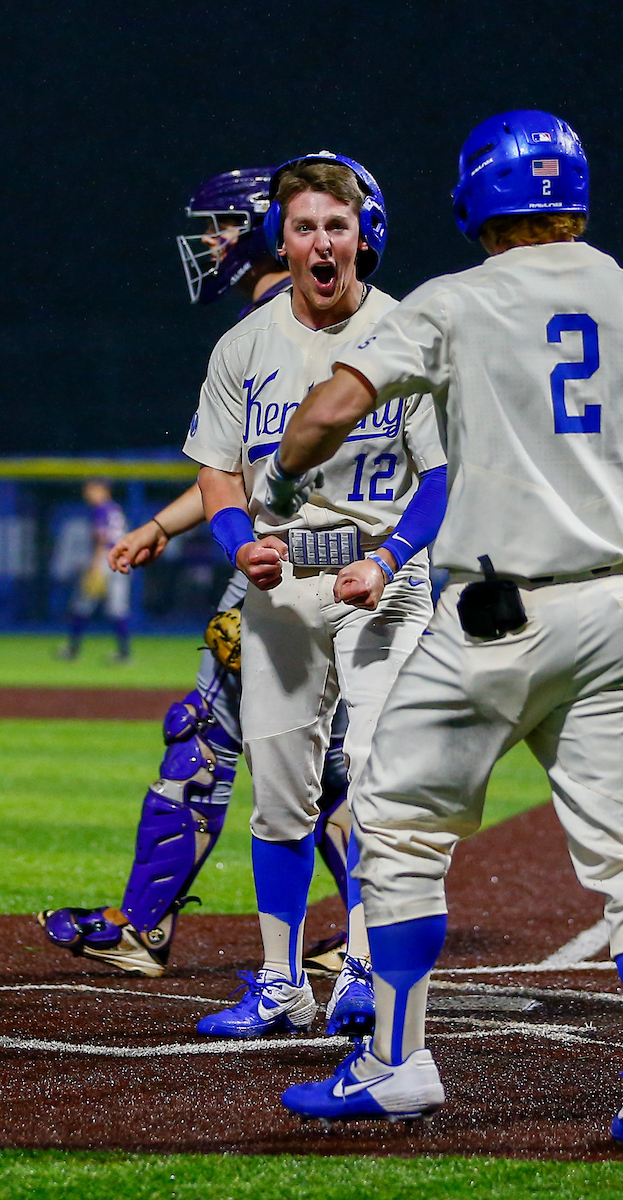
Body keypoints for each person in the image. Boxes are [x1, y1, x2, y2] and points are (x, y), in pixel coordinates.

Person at [270, 112, 623, 1148]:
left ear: (472, 202)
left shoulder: (451, 303)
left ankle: (396, 1066)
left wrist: (278, 473)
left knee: (393, 822)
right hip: (616, 614)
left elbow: (330, 410)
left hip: (489, 618)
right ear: (574, 198)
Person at [38, 169, 352, 979]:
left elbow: (270, 463)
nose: (208, 242)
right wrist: (161, 524)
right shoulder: (325, 314)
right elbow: (257, 463)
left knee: (220, 735)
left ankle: (143, 926)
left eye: (219, 225)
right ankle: (365, 928)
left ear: (260, 227)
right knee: (318, 750)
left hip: (294, 561)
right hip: (345, 561)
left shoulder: (277, 325)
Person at [184, 152, 448, 1040]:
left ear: (362, 237)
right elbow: (219, 474)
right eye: (304, 227)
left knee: (377, 778)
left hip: (385, 582)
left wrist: (394, 556)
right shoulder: (242, 347)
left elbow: (443, 480)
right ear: (282, 241)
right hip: (285, 588)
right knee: (281, 796)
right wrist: (237, 542)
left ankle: (364, 971)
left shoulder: (406, 331)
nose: (322, 241)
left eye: (337, 225)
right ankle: (280, 984)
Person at [57, 478, 131, 664]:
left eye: (91, 489)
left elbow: (101, 539)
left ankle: (73, 650)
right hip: (122, 560)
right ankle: (124, 654)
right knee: (117, 609)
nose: (87, 494)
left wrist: (95, 566)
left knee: (82, 604)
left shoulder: (101, 509)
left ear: (102, 489)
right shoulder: (115, 509)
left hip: (105, 559)